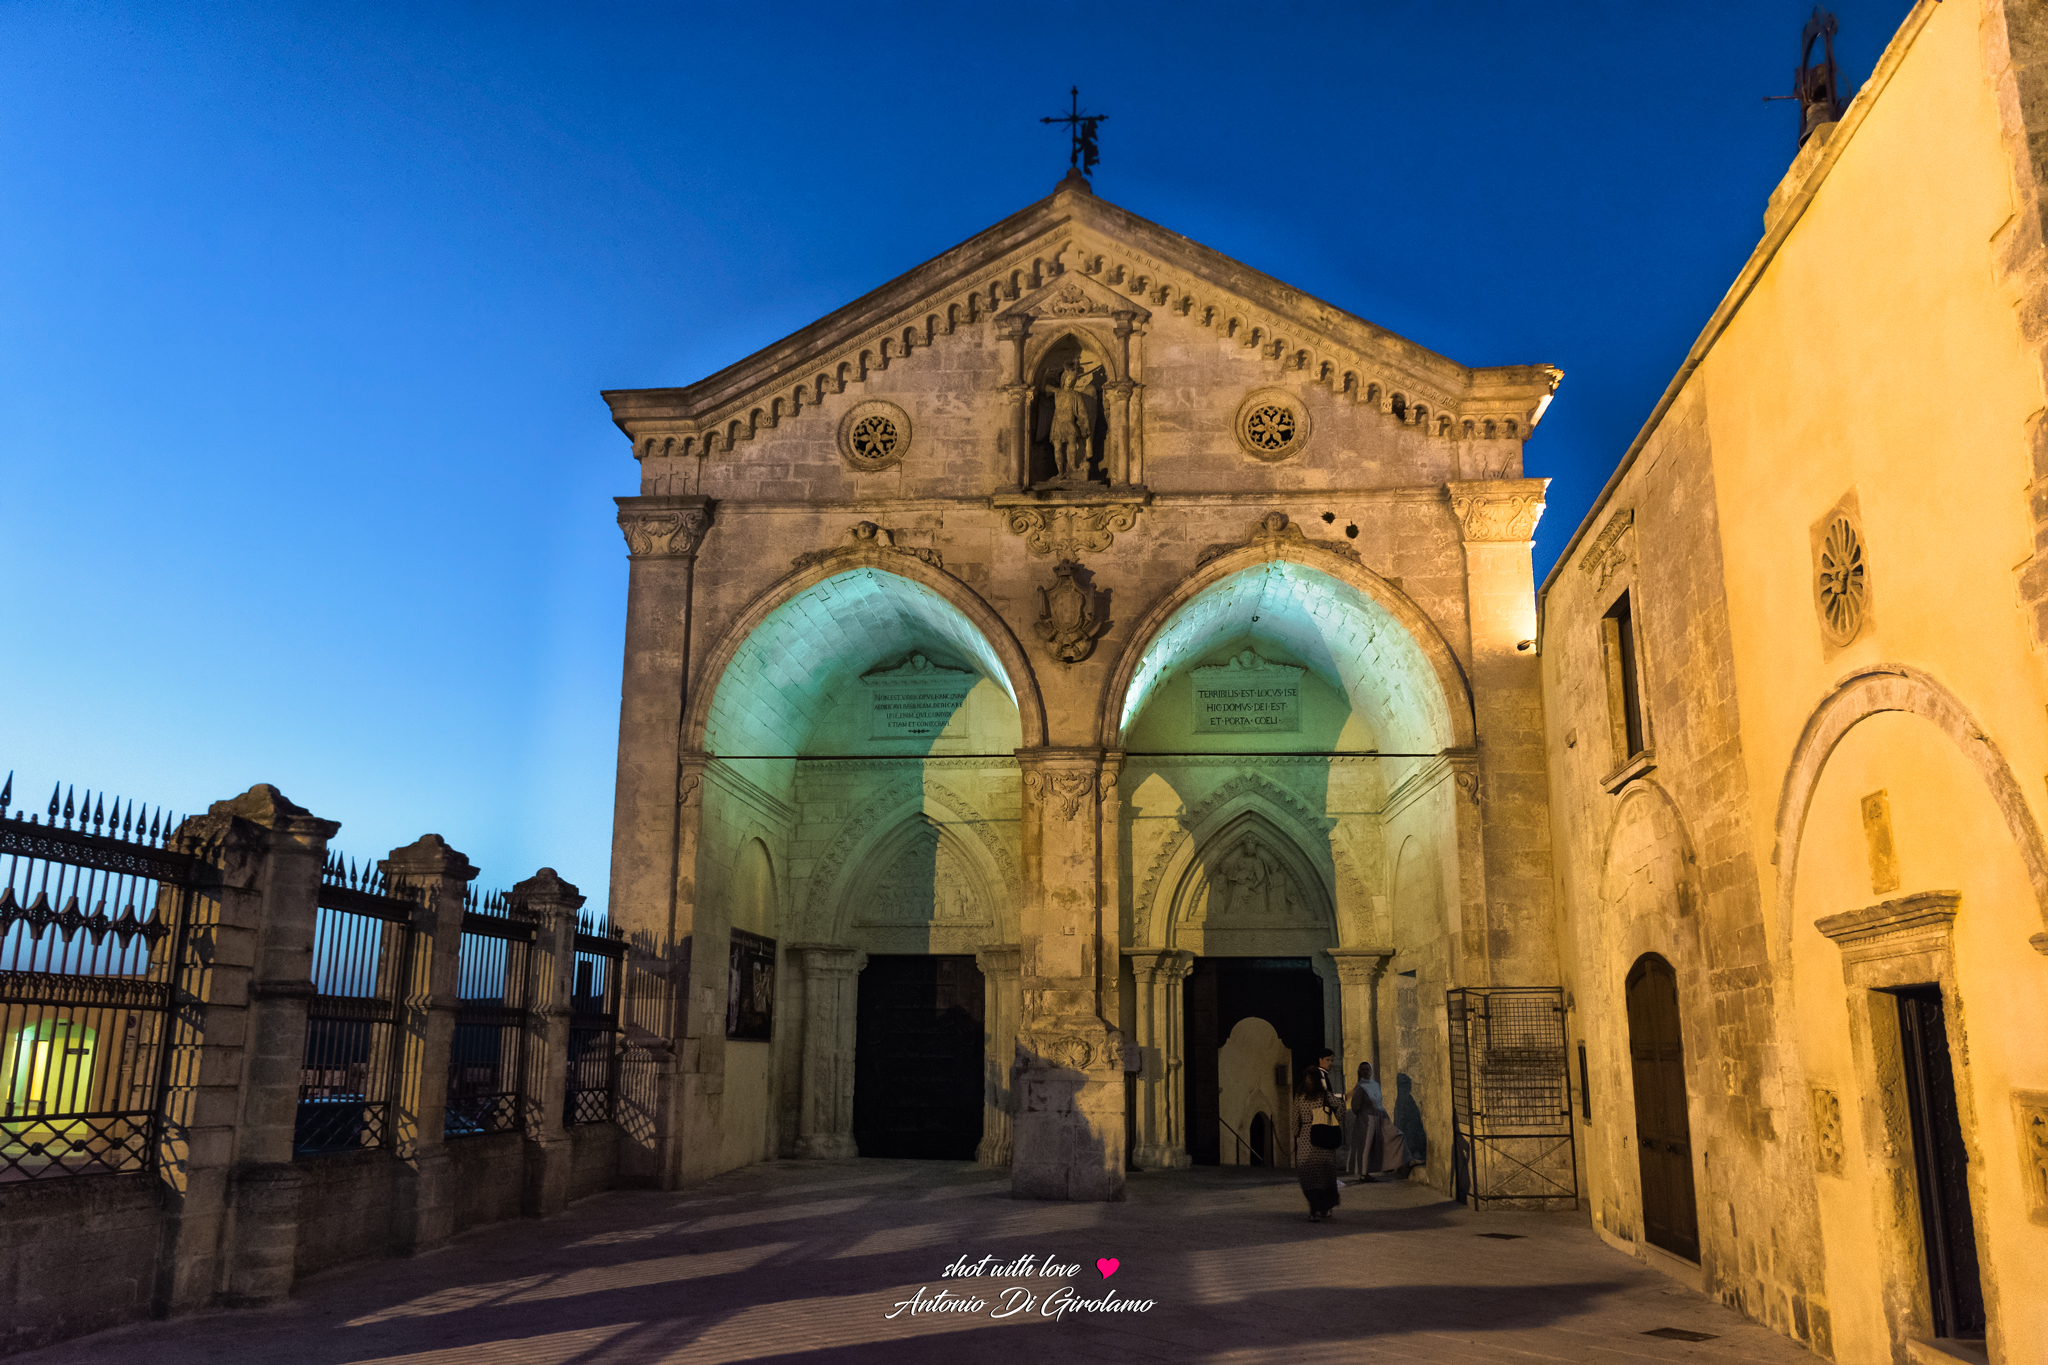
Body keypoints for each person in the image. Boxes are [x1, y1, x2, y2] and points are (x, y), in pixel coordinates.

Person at [1292, 1052, 1343, 1222]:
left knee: (1309, 1176)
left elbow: (1294, 1121)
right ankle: (1324, 1207)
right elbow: (1340, 1107)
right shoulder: (1325, 1096)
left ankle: (1315, 1208)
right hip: (1323, 1138)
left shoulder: (1300, 1098)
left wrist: (1297, 1134)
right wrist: (1334, 1120)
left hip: (1307, 1139)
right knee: (1325, 1176)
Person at [1347, 1061, 1411, 1180]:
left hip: (1381, 1117)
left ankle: (1396, 1162)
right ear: (1359, 1072)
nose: (1366, 1072)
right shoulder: (1359, 1087)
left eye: (1368, 1069)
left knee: (1396, 1136)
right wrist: (1366, 1114)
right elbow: (1355, 1106)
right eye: (1363, 1070)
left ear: (1371, 1071)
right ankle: (1364, 1174)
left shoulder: (1375, 1084)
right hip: (1367, 1119)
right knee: (1367, 1145)